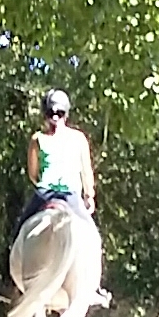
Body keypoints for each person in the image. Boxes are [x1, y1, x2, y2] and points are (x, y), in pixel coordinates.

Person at [19, 88, 96, 228]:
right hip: (71, 195)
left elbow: (33, 174)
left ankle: (12, 249)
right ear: (66, 113)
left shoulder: (37, 139)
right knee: (92, 235)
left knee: (20, 229)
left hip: (44, 194)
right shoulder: (78, 138)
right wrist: (89, 196)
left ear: (45, 114)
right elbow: (86, 172)